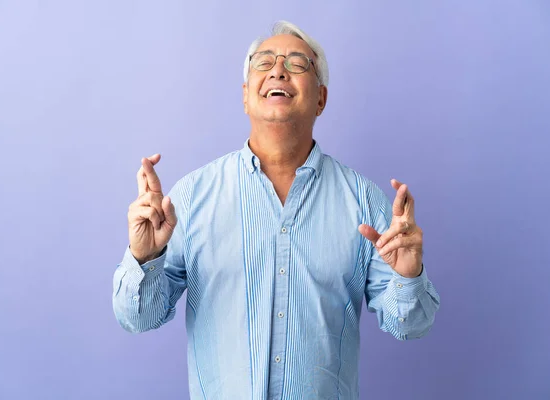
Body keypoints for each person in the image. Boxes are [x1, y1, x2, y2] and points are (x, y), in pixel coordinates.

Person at [113, 20, 440, 400]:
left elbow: (411, 325)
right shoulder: (189, 199)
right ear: (246, 95)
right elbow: (138, 318)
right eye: (263, 62)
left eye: (298, 63)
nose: (278, 70)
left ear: (321, 98)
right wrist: (145, 254)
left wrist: (408, 275)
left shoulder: (364, 202)